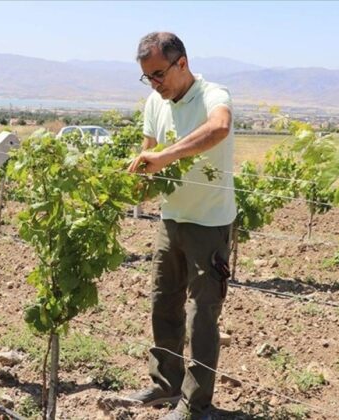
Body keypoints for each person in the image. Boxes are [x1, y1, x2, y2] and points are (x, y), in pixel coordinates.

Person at [124, 32, 236, 420]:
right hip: (170, 220)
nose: (154, 84)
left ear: (182, 63)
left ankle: (195, 405)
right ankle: (165, 384)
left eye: (158, 74)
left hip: (209, 223)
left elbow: (218, 128)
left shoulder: (213, 96)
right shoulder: (155, 102)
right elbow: (147, 154)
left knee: (202, 315)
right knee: (163, 302)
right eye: (147, 77)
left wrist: (164, 157)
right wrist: (130, 184)